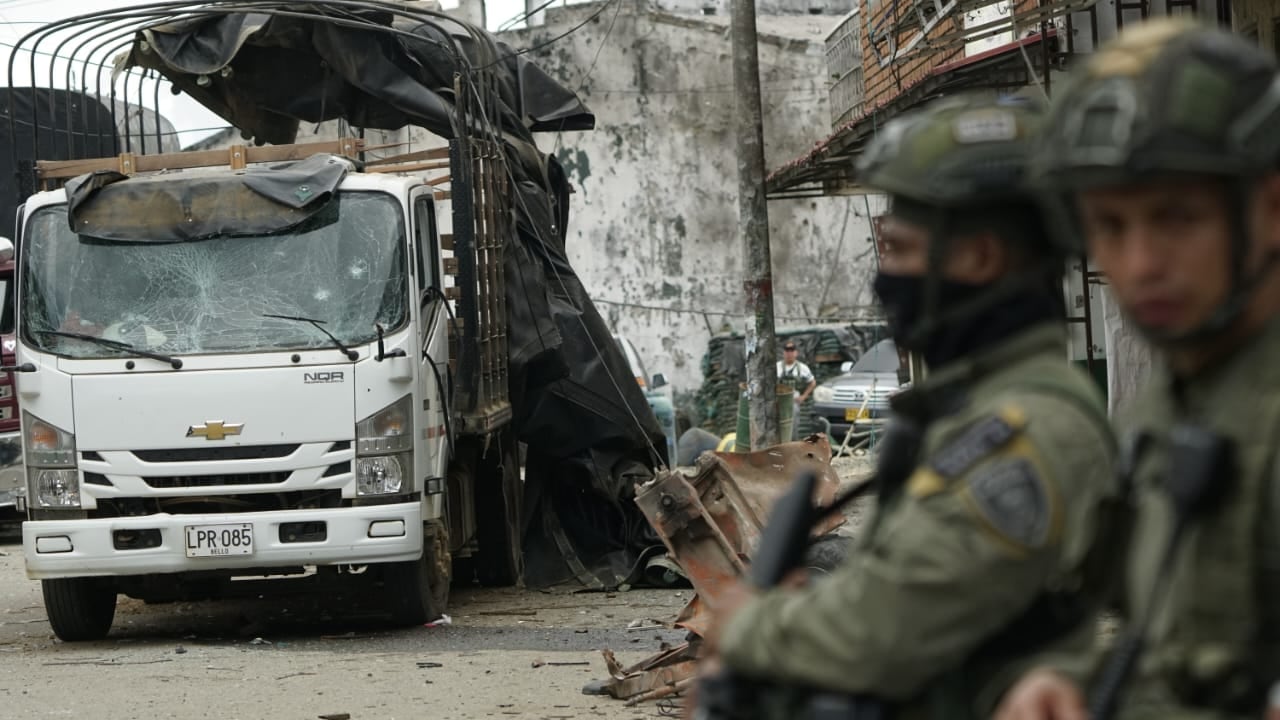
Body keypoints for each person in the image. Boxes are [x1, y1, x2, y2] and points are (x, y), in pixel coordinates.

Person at [694, 93, 1122, 720]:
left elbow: (883, 631)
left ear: (979, 256)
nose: (884, 275)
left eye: (898, 248)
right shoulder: (966, 411)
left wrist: (751, 627)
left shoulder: (1030, 429)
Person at [994, 17, 1280, 720]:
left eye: (1177, 217)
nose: (1140, 263)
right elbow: (1186, 653)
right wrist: (1076, 685)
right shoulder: (1172, 406)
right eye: (1110, 227)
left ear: (1271, 210)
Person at [778, 340, 816, 438]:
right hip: (778, 400)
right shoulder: (777, 367)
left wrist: (804, 396)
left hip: (793, 400)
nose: (789, 353)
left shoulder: (802, 368)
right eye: (787, 350)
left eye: (792, 350)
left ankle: (792, 441)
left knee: (793, 422)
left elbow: (812, 382)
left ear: (796, 353)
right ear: (783, 353)